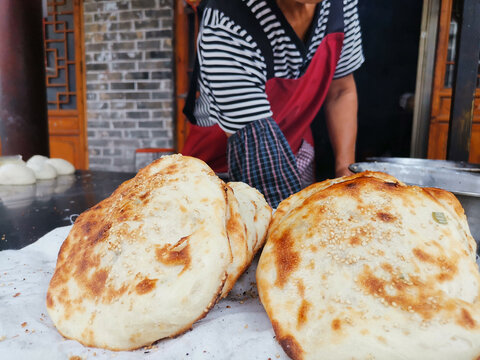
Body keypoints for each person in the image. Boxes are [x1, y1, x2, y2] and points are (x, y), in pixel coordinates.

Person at [182, 0, 364, 208]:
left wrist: (346, 173)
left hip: (295, 151)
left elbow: (341, 90)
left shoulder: (341, 5)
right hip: (219, 168)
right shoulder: (227, 18)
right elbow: (260, 154)